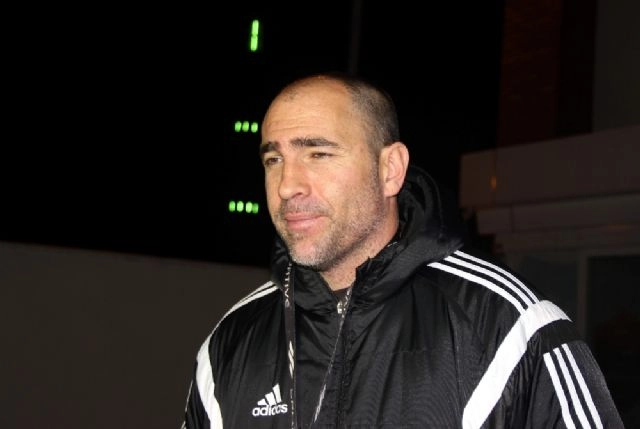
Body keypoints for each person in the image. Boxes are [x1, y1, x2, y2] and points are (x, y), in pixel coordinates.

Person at [182, 72, 624, 428]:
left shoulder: (506, 326)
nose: (286, 186)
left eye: (318, 154)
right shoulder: (230, 343)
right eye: (273, 159)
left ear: (390, 169)